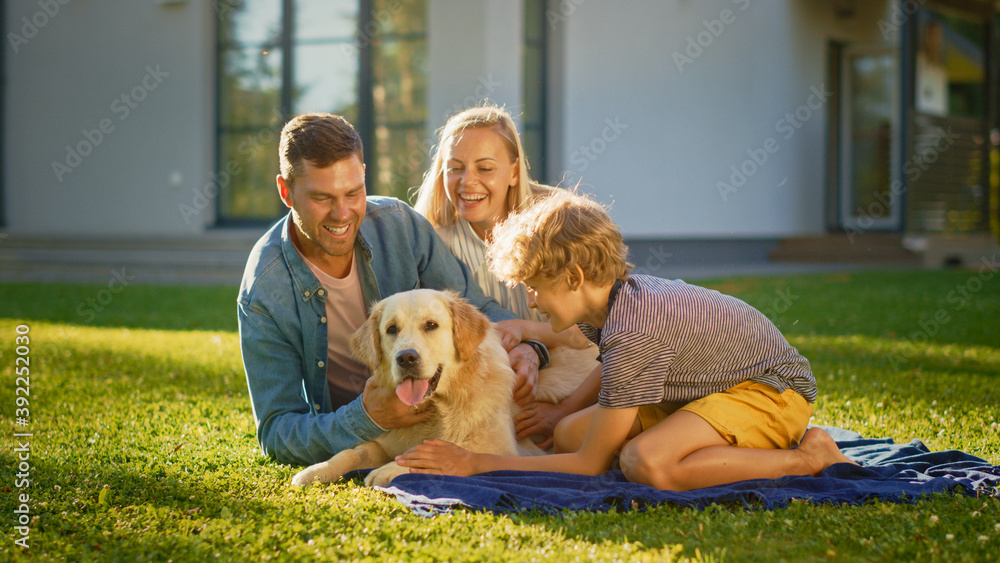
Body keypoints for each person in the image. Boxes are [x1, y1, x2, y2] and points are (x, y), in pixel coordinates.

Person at [397, 190, 856, 490]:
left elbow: (590, 466)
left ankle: (805, 459)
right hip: (711, 389)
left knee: (645, 463)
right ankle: (712, 448)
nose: (533, 303)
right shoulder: (611, 303)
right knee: (569, 432)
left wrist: (473, 463)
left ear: (574, 277)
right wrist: (563, 409)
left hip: (770, 392)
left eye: (536, 287)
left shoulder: (635, 327)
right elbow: (612, 369)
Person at [237, 113, 545, 466]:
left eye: (353, 193)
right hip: (361, 430)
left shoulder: (398, 224)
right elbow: (277, 431)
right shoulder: (264, 289)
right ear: (286, 191)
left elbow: (476, 308)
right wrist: (367, 417)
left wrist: (531, 347)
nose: (342, 214)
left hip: (435, 409)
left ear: (364, 174)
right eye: (322, 198)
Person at [413, 104, 599, 447]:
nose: (468, 181)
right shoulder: (432, 243)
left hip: (575, 372)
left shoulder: (559, 222)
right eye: (454, 168)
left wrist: (530, 339)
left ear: (514, 172)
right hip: (489, 380)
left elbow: (596, 329)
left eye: (485, 167)